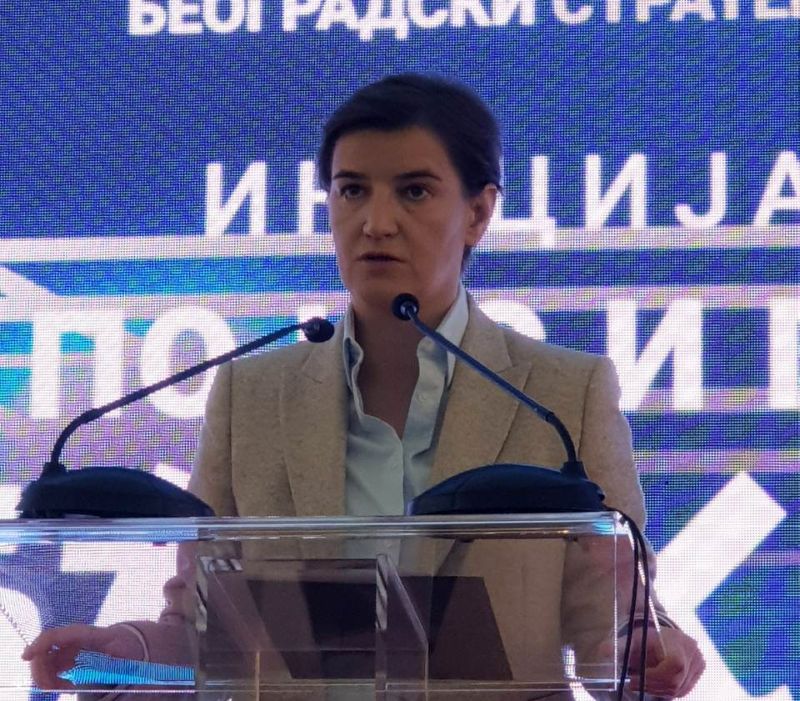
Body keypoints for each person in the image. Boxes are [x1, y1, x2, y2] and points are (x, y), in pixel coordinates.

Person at [24, 73, 704, 699]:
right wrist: (126, 653)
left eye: (414, 191)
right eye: (352, 190)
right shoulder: (249, 395)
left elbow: (613, 620)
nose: (376, 222)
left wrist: (649, 651)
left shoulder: (562, 393)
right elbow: (208, 634)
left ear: (478, 212)